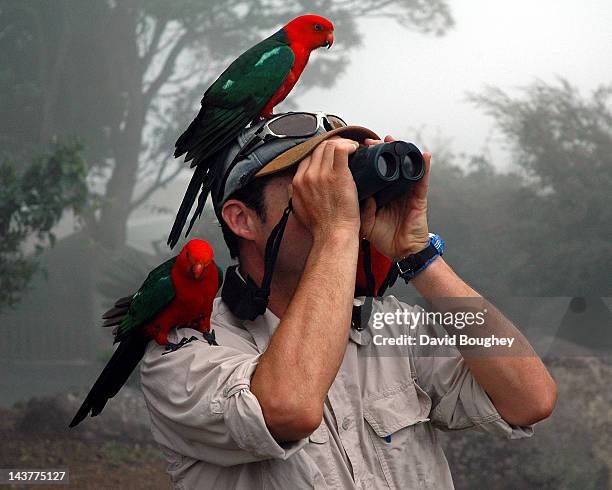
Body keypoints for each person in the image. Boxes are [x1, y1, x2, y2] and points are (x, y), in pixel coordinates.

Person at [140, 112, 557, 489]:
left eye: (343, 183)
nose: (341, 198)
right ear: (242, 219)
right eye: (312, 184)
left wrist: (418, 255)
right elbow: (290, 408)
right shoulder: (184, 353)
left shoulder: (389, 328)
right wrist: (337, 228)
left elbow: (530, 398)